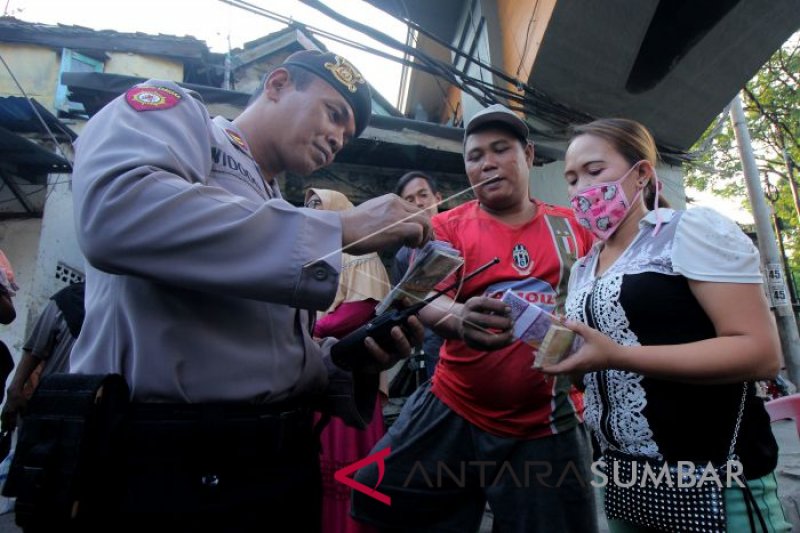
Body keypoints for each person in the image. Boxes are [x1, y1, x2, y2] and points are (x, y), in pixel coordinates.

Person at [56, 49, 430, 531]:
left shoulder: (276, 204)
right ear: (276, 84)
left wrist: (344, 362)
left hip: (277, 463)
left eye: (348, 134)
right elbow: (115, 212)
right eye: (333, 114)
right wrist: (336, 226)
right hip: (169, 465)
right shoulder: (182, 119)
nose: (339, 138)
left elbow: (262, 355)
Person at [352, 104, 598, 532]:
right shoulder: (447, 227)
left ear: (529, 155)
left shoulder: (574, 228)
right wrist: (457, 316)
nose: (487, 163)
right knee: (374, 490)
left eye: (501, 150)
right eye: (474, 156)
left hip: (547, 420)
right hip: (454, 407)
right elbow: (422, 294)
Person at [544, 117, 790, 531]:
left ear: (640, 174)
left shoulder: (690, 232)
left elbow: (761, 353)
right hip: (624, 483)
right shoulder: (585, 267)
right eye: (570, 179)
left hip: (715, 482)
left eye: (594, 171)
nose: (581, 189)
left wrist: (619, 355)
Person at [306, 187, 390, 533]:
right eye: (307, 207)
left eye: (319, 206)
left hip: (352, 377)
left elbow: (362, 308)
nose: (312, 212)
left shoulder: (361, 252)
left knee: (351, 465)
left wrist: (311, 327)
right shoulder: (312, 257)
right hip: (315, 371)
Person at [1, 282, 85, 433]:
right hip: (50, 406)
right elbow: (35, 349)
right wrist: (15, 389)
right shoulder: (69, 298)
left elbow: (8, 314)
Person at [391, 171, 444, 379]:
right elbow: (402, 305)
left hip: (476, 337)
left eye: (423, 195)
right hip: (435, 347)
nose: (419, 203)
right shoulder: (404, 256)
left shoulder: (465, 234)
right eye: (409, 200)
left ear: (438, 198)